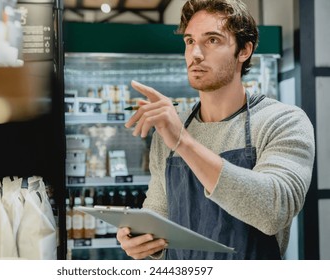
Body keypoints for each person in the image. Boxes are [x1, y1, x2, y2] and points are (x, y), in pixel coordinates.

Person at [117, 0, 315, 260]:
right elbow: (159, 212)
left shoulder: (282, 121)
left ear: (244, 50)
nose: (195, 54)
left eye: (212, 40)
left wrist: (183, 143)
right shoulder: (169, 133)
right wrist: (142, 242)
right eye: (189, 41)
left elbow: (273, 212)